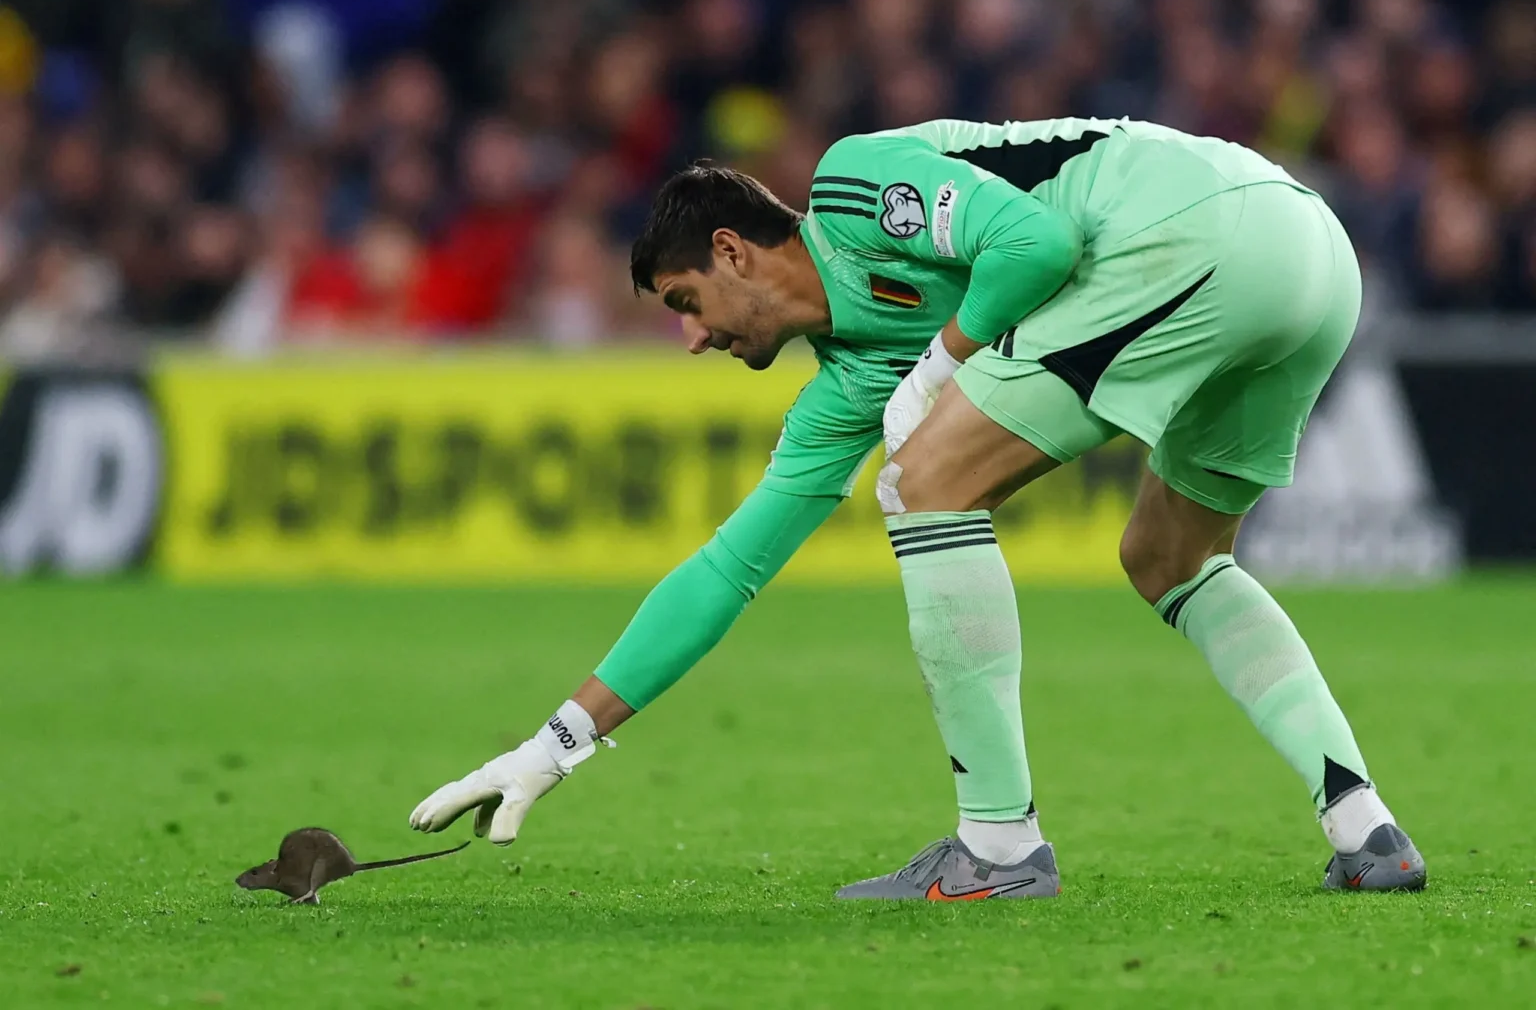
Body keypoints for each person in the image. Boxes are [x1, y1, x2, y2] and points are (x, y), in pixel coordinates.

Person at [409, 117, 1426, 899]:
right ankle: (1362, 822)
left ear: (730, 252)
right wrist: (555, 743)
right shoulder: (843, 387)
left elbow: (1029, 243)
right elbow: (730, 568)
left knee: (922, 481)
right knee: (1172, 556)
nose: (693, 338)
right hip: (1313, 266)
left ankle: (997, 845)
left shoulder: (856, 185)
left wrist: (942, 361)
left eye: (685, 305)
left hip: (1201, 229)